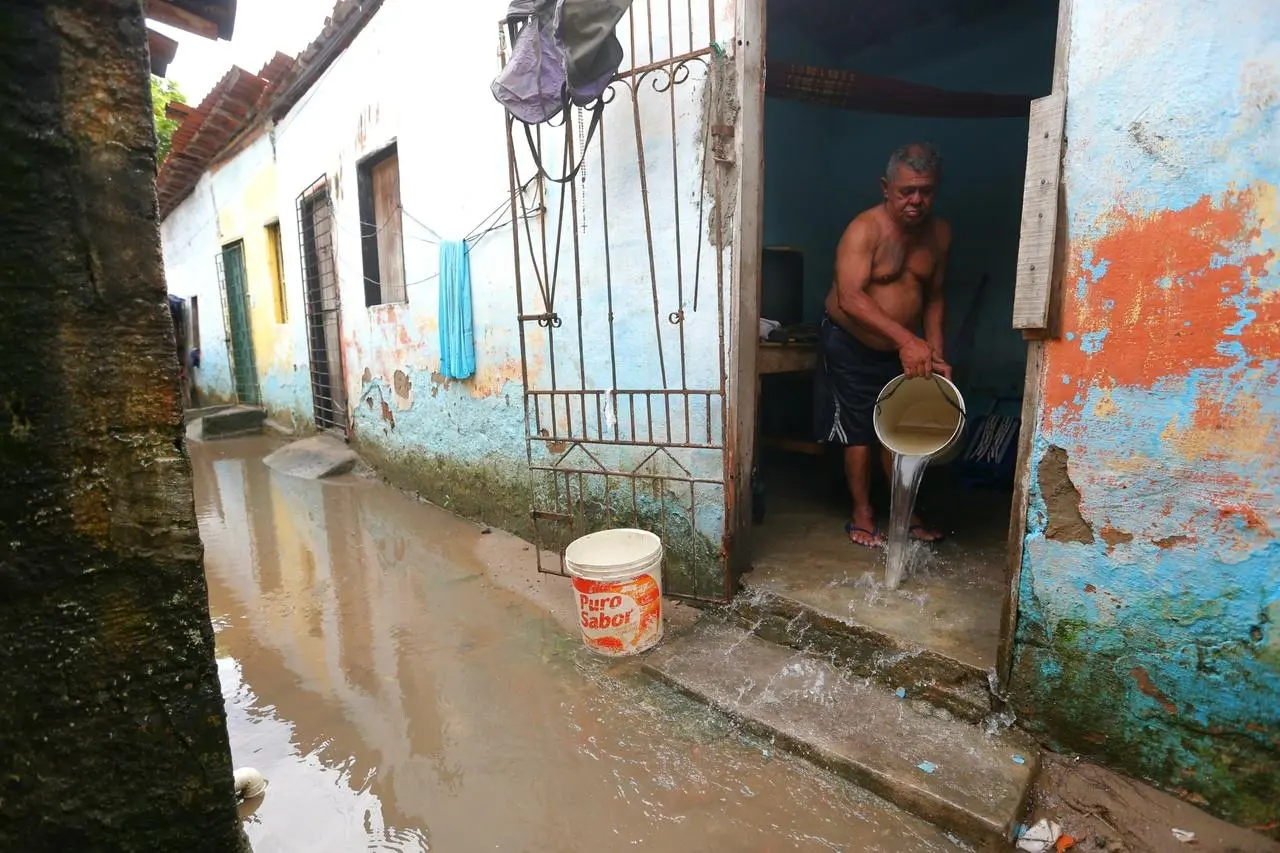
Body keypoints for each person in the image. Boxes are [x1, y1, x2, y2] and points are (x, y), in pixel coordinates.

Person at [816, 143, 951, 549]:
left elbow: (935, 297)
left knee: (900, 431)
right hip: (851, 342)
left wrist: (935, 353)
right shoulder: (865, 229)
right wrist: (909, 341)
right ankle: (862, 513)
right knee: (859, 431)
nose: (916, 200)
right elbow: (849, 298)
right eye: (907, 190)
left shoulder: (940, 235)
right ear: (885, 188)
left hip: (902, 349)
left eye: (925, 191)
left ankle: (903, 514)